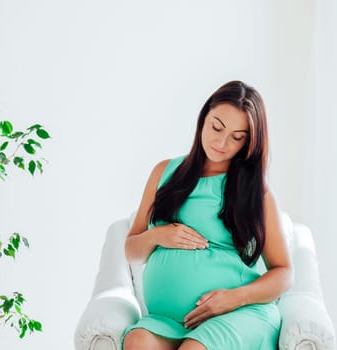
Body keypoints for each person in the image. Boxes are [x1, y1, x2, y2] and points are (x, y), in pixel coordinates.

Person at [122, 80, 293, 350]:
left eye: (237, 137)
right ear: (203, 118)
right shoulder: (164, 172)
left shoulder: (255, 192)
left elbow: (283, 272)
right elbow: (132, 251)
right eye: (217, 127)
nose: (222, 143)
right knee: (136, 342)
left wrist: (235, 298)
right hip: (167, 320)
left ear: (248, 142)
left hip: (235, 314)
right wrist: (157, 235)